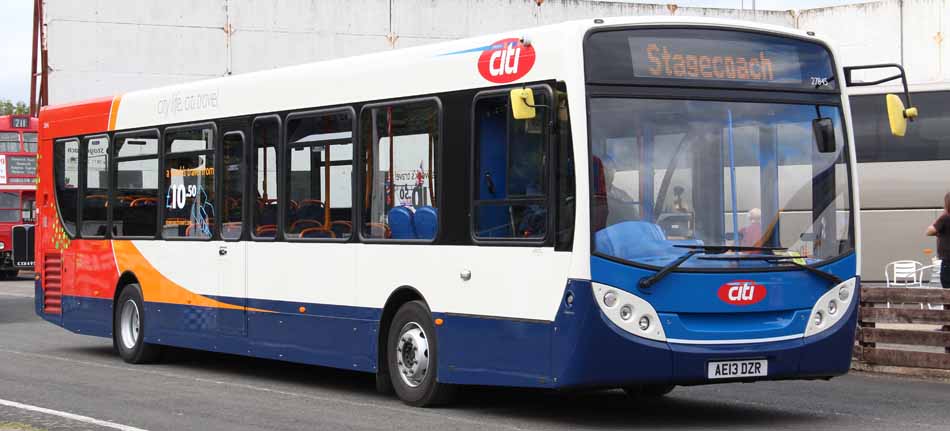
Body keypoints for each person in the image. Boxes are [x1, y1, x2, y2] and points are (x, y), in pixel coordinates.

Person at [925, 192, 950, 288]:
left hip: (948, 262)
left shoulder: (945, 218)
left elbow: (929, 231)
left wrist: (944, 213)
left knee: (947, 293)